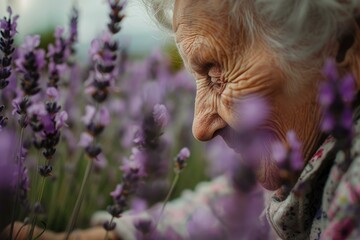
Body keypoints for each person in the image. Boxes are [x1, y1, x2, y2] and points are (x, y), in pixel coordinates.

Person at [4, 0, 360, 239]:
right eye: (197, 81)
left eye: (216, 74)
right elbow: (231, 204)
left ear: (342, 48)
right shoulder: (302, 169)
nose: (199, 128)